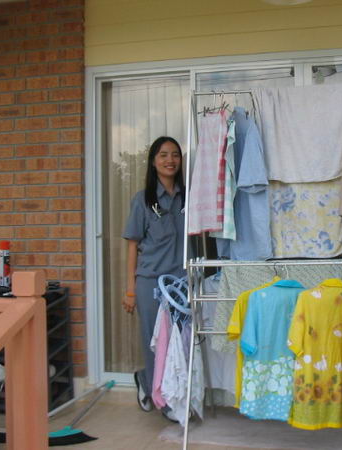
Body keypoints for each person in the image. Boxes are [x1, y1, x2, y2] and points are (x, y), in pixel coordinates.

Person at [122, 136, 186, 422]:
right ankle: (162, 401)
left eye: (175, 155)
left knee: (178, 342)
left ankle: (156, 384)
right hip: (150, 283)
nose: (170, 160)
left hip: (181, 283)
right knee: (154, 342)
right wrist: (130, 291)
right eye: (163, 155)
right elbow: (132, 245)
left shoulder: (187, 197)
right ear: (153, 161)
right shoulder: (143, 200)